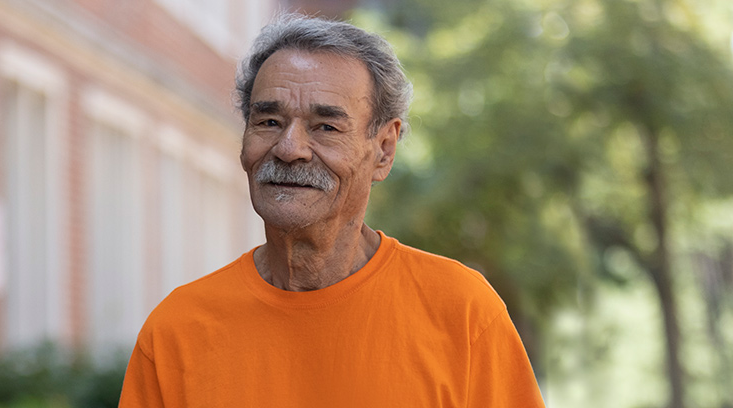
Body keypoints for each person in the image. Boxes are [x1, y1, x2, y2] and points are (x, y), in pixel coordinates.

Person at [119, 14, 545, 407]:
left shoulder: (463, 314)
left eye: (326, 127)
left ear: (383, 150)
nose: (289, 149)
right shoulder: (177, 331)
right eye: (268, 121)